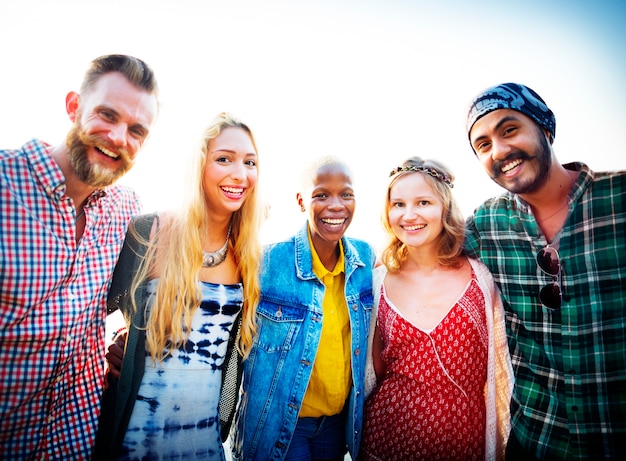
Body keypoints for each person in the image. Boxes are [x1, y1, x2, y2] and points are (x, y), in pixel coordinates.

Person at [0, 54, 159, 460]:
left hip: (75, 443)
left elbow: (133, 292)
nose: (120, 137)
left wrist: (131, 339)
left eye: (137, 130)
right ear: (74, 106)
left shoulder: (125, 209)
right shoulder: (5, 186)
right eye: (107, 114)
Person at [464, 82, 626, 460]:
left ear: (545, 127)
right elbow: (422, 253)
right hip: (537, 442)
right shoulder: (488, 224)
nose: (499, 151)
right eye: (483, 145)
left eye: (510, 130)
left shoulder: (618, 199)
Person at [93, 112, 265, 460]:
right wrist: (111, 352)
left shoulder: (249, 255)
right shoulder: (149, 232)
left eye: (250, 162)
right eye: (224, 159)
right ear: (199, 165)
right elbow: (88, 312)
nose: (240, 174)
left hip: (204, 446)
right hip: (134, 444)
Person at [359, 157, 513, 460]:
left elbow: (499, 368)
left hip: (461, 437)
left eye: (423, 202)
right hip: (387, 435)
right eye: (398, 204)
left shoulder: (480, 278)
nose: (409, 214)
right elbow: (373, 369)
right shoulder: (378, 281)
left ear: (444, 206)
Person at [232, 156, 376, 461]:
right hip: (280, 423)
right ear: (301, 201)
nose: (336, 205)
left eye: (346, 194)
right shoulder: (267, 263)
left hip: (338, 425)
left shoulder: (365, 259)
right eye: (321, 195)